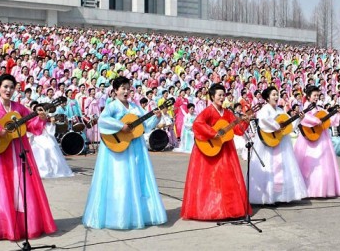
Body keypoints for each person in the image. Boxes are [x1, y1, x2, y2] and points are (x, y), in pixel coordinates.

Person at [0, 74, 56, 242]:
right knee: (0, 188)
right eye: (5, 87)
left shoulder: (19, 108)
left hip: (18, 151)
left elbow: (30, 125)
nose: (8, 90)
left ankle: (25, 225)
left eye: (11, 87)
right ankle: (1, 226)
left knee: (22, 187)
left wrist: (41, 119)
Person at [82, 76, 167, 229]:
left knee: (137, 178)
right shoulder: (113, 105)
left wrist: (156, 117)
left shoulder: (135, 107)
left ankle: (139, 214)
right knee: (120, 178)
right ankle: (118, 217)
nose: (126, 91)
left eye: (128, 88)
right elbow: (103, 120)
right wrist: (120, 126)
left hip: (135, 147)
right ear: (115, 91)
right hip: (119, 148)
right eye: (123, 88)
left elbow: (145, 125)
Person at [181, 83, 250, 220]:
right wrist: (213, 133)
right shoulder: (208, 110)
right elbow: (198, 124)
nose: (222, 97)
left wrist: (245, 121)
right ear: (212, 96)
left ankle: (228, 209)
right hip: (210, 148)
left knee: (227, 180)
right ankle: (211, 210)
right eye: (219, 95)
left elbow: (236, 130)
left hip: (225, 149)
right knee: (210, 180)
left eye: (223, 95)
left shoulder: (228, 112)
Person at [250, 87, 307, 204]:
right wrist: (277, 125)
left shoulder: (281, 111)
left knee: (283, 167)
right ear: (267, 98)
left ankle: (280, 196)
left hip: (281, 142)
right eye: (273, 95)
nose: (276, 97)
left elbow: (289, 126)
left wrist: (298, 120)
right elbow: (264, 121)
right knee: (269, 167)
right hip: (268, 142)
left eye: (277, 94)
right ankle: (267, 196)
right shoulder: (265, 110)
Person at [293, 85, 340, 198]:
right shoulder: (306, 107)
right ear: (308, 96)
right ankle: (310, 189)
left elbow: (330, 120)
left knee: (324, 163)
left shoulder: (320, 109)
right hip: (310, 139)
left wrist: (338, 113)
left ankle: (323, 189)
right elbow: (304, 119)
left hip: (322, 138)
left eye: (318, 95)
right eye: (314, 95)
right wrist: (316, 121)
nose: (316, 97)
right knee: (311, 164)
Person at [30, 103, 74, 178]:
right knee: (40, 150)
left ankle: (52, 169)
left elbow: (50, 132)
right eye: (38, 110)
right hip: (36, 138)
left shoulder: (48, 118)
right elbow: (30, 131)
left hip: (46, 136)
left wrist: (52, 122)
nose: (40, 112)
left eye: (41, 110)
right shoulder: (32, 119)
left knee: (51, 147)